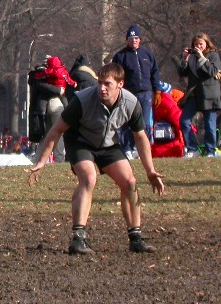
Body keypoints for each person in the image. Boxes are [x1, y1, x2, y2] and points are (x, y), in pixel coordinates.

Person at [27, 63, 165, 255]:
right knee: (89, 178)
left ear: (120, 84)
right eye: (100, 82)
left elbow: (140, 137)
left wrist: (150, 171)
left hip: (108, 145)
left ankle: (136, 238)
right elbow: (56, 130)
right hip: (80, 142)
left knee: (129, 181)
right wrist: (41, 161)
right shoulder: (82, 100)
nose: (102, 87)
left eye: (107, 84)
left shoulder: (131, 103)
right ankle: (78, 239)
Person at [112, 24, 162, 158]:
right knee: (127, 122)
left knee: (144, 123)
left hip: (145, 93)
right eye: (131, 37)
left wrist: (157, 90)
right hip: (128, 94)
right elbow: (115, 75)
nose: (134, 40)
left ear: (140, 39)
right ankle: (127, 148)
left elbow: (155, 73)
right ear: (127, 39)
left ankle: (141, 149)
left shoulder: (147, 55)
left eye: (136, 37)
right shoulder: (120, 56)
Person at [177, 33, 221, 158]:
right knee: (184, 121)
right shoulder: (191, 57)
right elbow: (182, 72)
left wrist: (202, 57)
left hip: (209, 95)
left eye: (201, 44)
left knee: (209, 125)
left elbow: (212, 71)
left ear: (206, 44)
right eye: (196, 44)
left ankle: (210, 150)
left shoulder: (213, 55)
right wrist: (185, 59)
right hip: (194, 94)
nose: (198, 46)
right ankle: (192, 148)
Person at [29, 63, 66, 163]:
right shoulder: (45, 74)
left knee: (47, 135)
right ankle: (59, 159)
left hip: (43, 109)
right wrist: (59, 90)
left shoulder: (36, 75)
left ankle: (38, 160)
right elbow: (44, 86)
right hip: (54, 104)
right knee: (59, 132)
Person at [151, 82, 185, 158]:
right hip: (170, 146)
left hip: (156, 146)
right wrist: (191, 129)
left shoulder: (153, 102)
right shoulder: (167, 102)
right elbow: (178, 120)